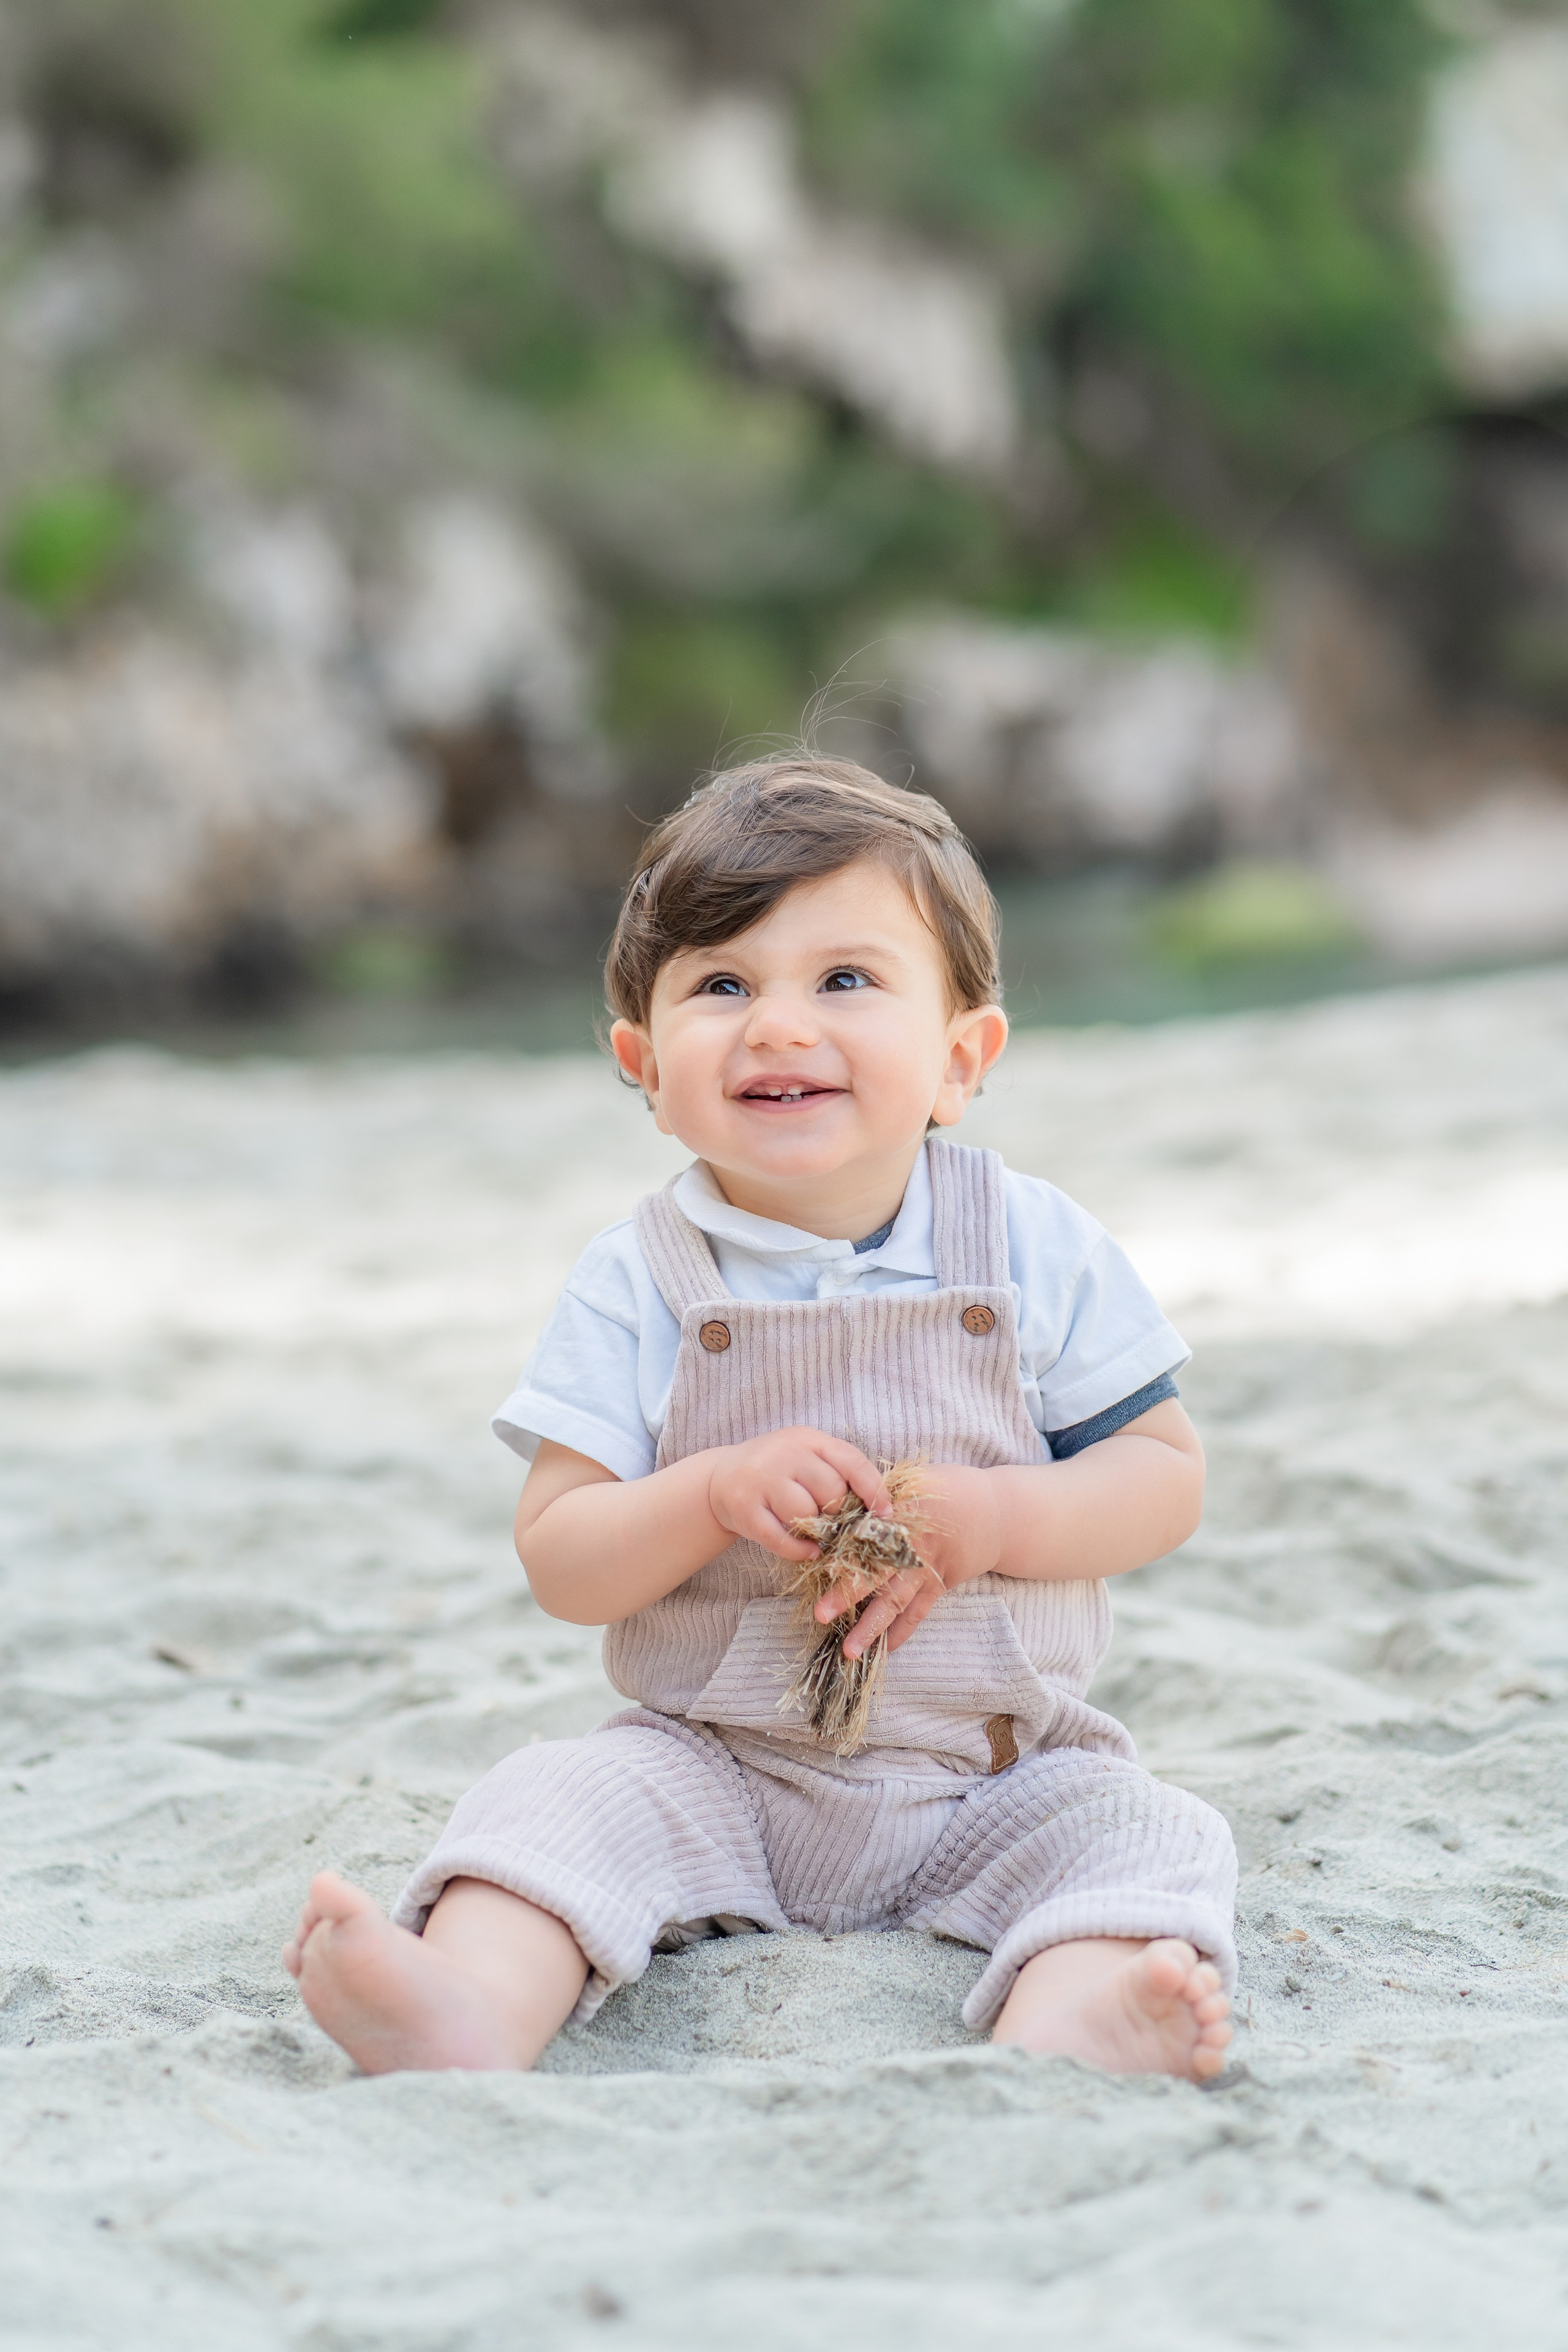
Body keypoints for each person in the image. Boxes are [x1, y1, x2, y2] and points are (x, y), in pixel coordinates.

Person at [284, 756, 1237, 2079]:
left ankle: (1072, 2024)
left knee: (1152, 1833)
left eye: (843, 981)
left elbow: (1161, 1477)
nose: (778, 1026)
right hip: (714, 1772)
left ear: (960, 1058)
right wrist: (708, 1493)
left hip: (994, 1779)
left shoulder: (1029, 1244)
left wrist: (1004, 1515)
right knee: (546, 1803)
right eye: (721, 986)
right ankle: (467, 2010)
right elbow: (562, 1553)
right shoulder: (640, 1279)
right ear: (643, 1065)